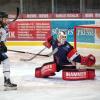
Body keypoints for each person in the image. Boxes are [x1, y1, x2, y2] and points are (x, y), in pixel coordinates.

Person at [0, 12, 17, 90]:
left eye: (7, 19)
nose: (6, 20)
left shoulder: (3, 27)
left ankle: (7, 81)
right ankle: (7, 81)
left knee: (5, 60)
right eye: (5, 19)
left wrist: (3, 45)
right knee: (6, 60)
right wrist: (1, 45)